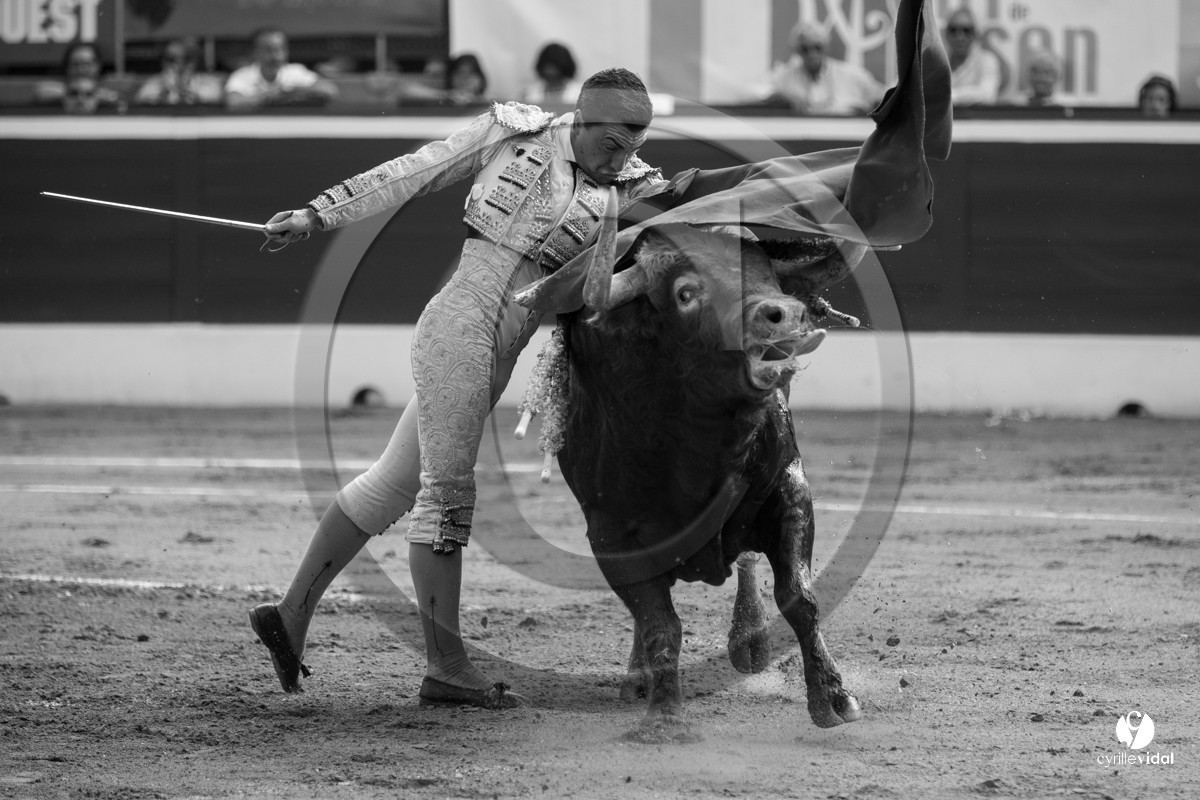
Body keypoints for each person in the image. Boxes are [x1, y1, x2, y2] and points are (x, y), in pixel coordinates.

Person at [249, 68, 663, 708]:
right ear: (584, 119)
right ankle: (445, 666)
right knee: (446, 494)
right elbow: (414, 170)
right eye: (619, 135)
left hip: (504, 347)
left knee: (393, 482)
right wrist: (315, 214)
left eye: (641, 135)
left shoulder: (631, 185)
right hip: (459, 328)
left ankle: (289, 613)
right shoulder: (513, 132)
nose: (630, 149)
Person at [764, 22, 885, 116]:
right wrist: (783, 97)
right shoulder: (785, 76)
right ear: (797, 51)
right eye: (805, 49)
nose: (812, 54)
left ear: (826, 48)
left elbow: (884, 98)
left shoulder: (851, 75)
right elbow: (753, 93)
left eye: (817, 47)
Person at [224, 28, 338, 109]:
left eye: (279, 50)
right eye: (268, 50)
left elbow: (329, 91)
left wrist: (292, 90)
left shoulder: (296, 72)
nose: (275, 57)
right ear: (255, 52)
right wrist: (267, 98)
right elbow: (233, 101)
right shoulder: (242, 76)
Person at [34, 42, 124, 113]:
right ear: (67, 67)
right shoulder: (60, 88)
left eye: (87, 64)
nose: (81, 69)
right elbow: (40, 92)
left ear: (98, 66)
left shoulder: (109, 87)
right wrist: (70, 92)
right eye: (75, 64)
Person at [135, 38, 224, 106]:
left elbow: (213, 100)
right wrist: (164, 91)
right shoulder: (155, 82)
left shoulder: (209, 82)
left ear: (191, 62)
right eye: (168, 59)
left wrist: (182, 89)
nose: (170, 65)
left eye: (174, 60)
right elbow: (142, 101)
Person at [944, 6, 1000, 106]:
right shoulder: (937, 62)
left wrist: (949, 96)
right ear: (946, 34)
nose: (960, 36)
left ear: (976, 34)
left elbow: (987, 95)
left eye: (966, 30)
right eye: (953, 30)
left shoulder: (987, 60)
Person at [521, 42, 583, 106]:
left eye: (555, 68)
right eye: (548, 67)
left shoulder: (580, 93)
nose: (551, 72)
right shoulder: (530, 94)